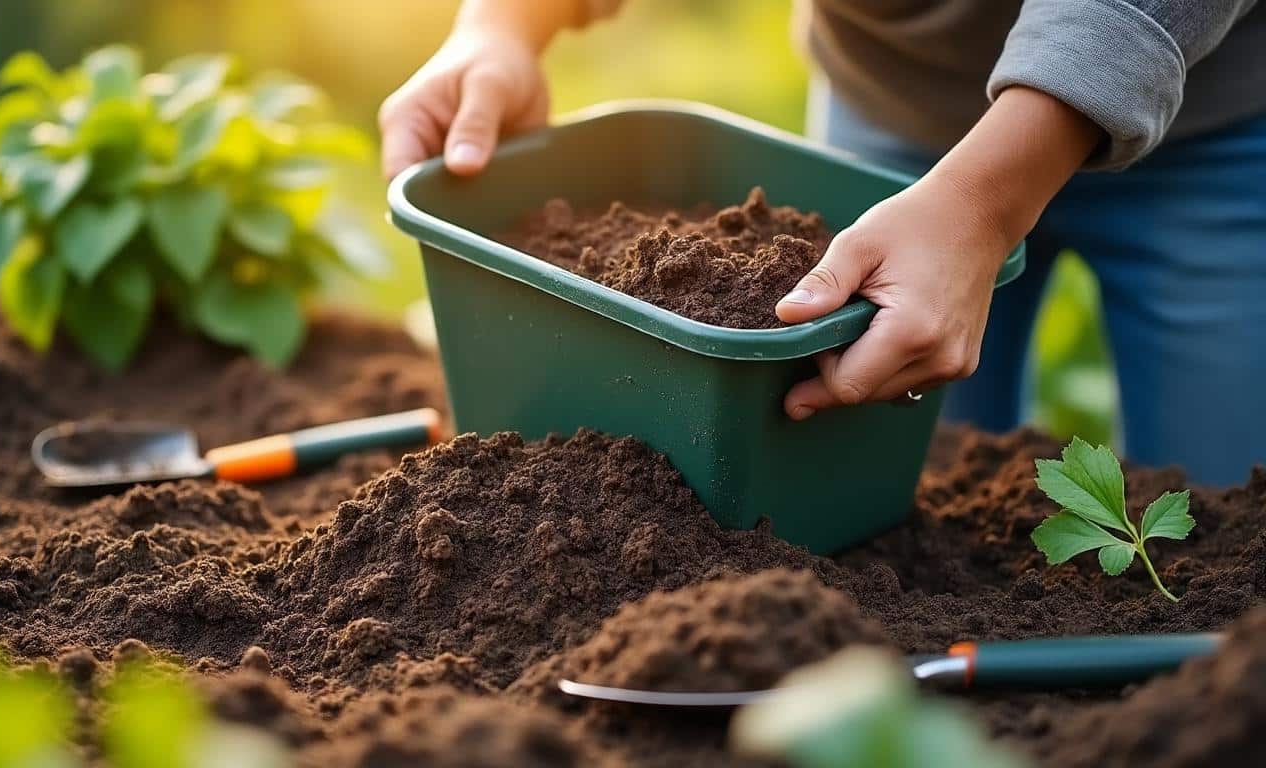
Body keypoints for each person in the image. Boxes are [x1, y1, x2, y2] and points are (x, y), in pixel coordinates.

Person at [379, 0, 1266, 486]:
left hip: (1211, 126)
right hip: (894, 114)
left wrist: (983, 203)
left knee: (1222, 522)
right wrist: (501, 26)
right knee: (901, 485)